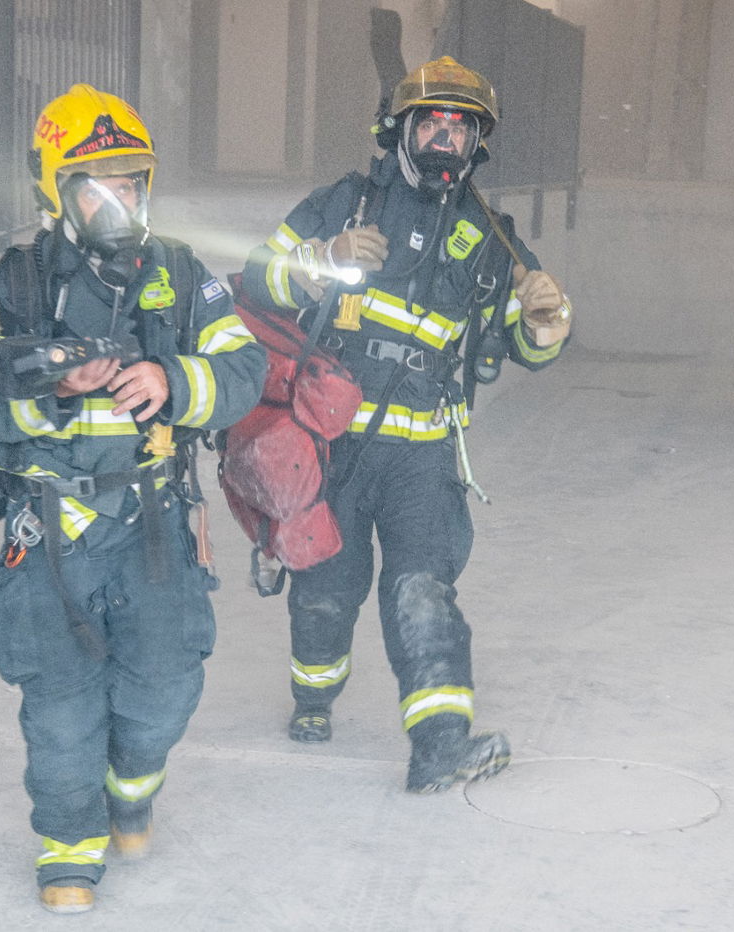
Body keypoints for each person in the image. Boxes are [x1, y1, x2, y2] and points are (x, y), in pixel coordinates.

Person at [0, 83, 265, 913]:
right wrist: (54, 384)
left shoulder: (181, 273)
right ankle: (68, 846)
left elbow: (242, 371)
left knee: (165, 686)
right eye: (98, 185)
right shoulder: (10, 285)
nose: (120, 201)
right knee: (60, 704)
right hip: (51, 529)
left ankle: (132, 783)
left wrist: (174, 378)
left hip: (153, 519)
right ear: (56, 190)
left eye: (131, 183)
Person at [240, 57, 573, 793]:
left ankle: (439, 747)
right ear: (401, 129)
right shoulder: (344, 204)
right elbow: (256, 280)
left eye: (460, 129)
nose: (445, 140)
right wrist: (320, 258)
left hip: (422, 454)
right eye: (433, 123)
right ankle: (314, 693)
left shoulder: (494, 239)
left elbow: (526, 342)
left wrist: (547, 320)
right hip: (334, 445)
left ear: (476, 143)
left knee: (422, 588)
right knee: (329, 585)